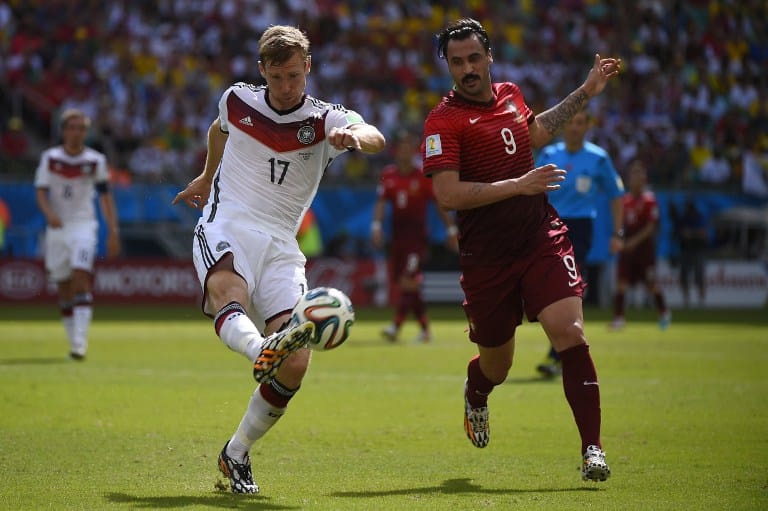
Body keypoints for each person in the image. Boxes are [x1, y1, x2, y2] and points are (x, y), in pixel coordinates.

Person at [172, 25, 385, 495]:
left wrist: (354, 137)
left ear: (308, 68)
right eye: (278, 76)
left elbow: (375, 136)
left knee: (295, 365)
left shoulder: (327, 118)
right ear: (262, 71)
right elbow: (218, 129)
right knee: (228, 291)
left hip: (282, 245)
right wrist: (207, 177)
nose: (287, 86)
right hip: (227, 223)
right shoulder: (238, 101)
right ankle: (260, 349)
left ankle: (236, 452)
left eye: (295, 75)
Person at [423, 18, 620, 482]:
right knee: (498, 365)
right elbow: (447, 195)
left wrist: (585, 92)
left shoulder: (511, 94)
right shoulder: (443, 121)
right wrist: (518, 184)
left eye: (474, 58)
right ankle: (476, 393)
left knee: (569, 331)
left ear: (489, 56)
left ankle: (593, 449)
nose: (467, 69)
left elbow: (534, 134)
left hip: (538, 237)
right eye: (457, 62)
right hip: (486, 257)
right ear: (447, 66)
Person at [534, 109, 625, 377]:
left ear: (587, 126)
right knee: (550, 291)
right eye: (570, 123)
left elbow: (616, 195)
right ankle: (567, 349)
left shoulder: (598, 158)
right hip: (548, 227)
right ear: (563, 127)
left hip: (580, 228)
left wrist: (617, 234)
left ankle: (557, 355)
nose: (574, 128)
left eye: (579, 123)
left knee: (566, 288)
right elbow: (534, 189)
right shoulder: (550, 155)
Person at [34, 108, 121, 360]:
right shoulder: (49, 158)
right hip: (57, 228)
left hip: (84, 226)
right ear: (63, 130)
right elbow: (40, 192)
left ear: (86, 132)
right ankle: (73, 340)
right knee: (63, 287)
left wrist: (113, 231)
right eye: (71, 127)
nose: (76, 132)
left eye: (81, 128)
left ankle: (80, 344)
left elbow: (106, 197)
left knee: (80, 278)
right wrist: (49, 213)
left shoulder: (96, 161)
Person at [371, 130, 458, 343]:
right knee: (408, 284)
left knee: (408, 281)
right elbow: (382, 203)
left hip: (417, 239)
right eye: (402, 148)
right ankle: (425, 329)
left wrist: (451, 230)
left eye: (409, 148)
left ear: (413, 151)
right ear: (396, 151)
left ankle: (396, 326)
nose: (405, 152)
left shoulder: (422, 176)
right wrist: (376, 226)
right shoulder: (389, 175)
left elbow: (439, 204)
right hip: (397, 238)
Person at [611, 159, 671, 329]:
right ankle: (619, 318)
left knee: (651, 284)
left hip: (644, 249)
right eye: (633, 174)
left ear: (644, 178)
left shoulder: (649, 200)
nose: (636, 178)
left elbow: (651, 227)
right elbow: (620, 224)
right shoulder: (625, 201)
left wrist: (633, 242)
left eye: (639, 174)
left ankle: (664, 312)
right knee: (621, 282)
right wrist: (620, 239)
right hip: (627, 249)